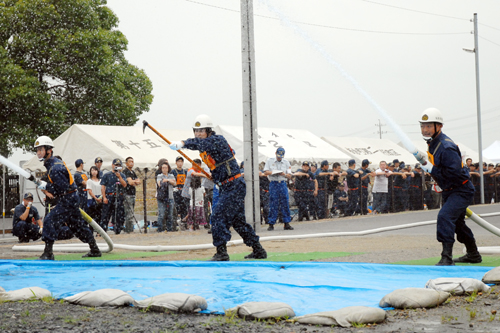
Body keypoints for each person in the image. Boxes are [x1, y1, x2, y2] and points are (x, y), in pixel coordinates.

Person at [168, 114, 267, 261]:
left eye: (201, 130)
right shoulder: (207, 145)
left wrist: (183, 143)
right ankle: (258, 249)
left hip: (234, 185)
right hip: (226, 186)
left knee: (217, 216)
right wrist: (217, 175)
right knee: (238, 221)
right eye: (195, 131)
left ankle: (221, 252)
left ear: (209, 131)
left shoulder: (216, 140)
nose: (197, 134)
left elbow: (199, 144)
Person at [417, 107, 481, 265]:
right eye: (422, 126)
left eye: (429, 126)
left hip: (460, 190)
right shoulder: (434, 143)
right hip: (450, 190)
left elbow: (453, 173)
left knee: (445, 217)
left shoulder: (445, 146)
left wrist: (432, 169)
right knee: (457, 224)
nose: (425, 129)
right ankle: (473, 255)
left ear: (439, 127)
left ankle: (446, 257)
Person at [34, 136, 100, 260]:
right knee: (77, 226)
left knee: (49, 220)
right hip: (71, 197)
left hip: (68, 198)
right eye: (37, 150)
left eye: (41, 149)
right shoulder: (53, 165)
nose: (38, 153)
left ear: (49, 150)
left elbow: (61, 189)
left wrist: (45, 186)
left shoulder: (55, 168)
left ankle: (48, 253)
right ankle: (94, 249)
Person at [263, 147, 294, 231]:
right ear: (275, 153)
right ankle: (271, 223)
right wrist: (275, 172)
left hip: (282, 183)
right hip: (273, 183)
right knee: (273, 203)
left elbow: (289, 174)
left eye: (281, 156)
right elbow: (265, 172)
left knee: (285, 203)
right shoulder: (270, 161)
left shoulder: (286, 162)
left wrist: (285, 174)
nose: (279, 157)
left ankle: (286, 223)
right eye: (278, 155)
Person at [100, 158, 127, 234]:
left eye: (119, 165)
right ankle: (102, 231)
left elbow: (124, 184)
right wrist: (104, 197)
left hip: (119, 196)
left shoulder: (122, 175)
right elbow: (103, 186)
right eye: (116, 165)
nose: (117, 167)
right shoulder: (107, 175)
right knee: (106, 214)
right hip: (109, 196)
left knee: (119, 214)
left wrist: (119, 177)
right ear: (112, 165)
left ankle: (117, 229)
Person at [156, 161, 176, 232]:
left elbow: (174, 183)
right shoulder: (159, 176)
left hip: (170, 196)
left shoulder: (171, 175)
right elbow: (159, 183)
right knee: (161, 214)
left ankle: (169, 228)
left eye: (166, 168)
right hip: (161, 197)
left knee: (170, 214)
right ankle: (160, 229)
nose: (164, 169)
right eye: (163, 168)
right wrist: (169, 181)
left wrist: (167, 180)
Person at [123, 157, 141, 233]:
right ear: (126, 163)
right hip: (127, 194)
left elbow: (139, 181)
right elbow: (130, 182)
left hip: (133, 194)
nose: (131, 163)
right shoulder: (126, 171)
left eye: (132, 161)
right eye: (130, 161)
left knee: (131, 212)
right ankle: (129, 229)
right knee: (129, 214)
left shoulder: (133, 172)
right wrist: (134, 181)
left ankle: (130, 228)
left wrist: (134, 181)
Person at [171, 156, 189, 222]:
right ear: (176, 163)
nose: (180, 163)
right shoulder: (173, 171)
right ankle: (176, 221)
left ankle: (184, 221)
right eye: (178, 161)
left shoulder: (185, 171)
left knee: (184, 207)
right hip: (176, 191)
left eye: (181, 161)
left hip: (184, 191)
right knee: (176, 207)